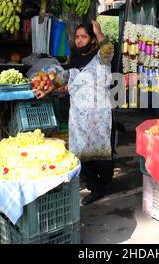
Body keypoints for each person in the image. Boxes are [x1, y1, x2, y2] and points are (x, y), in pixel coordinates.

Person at [34, 20, 115, 206]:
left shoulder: (101, 58)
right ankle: (96, 188)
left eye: (84, 37)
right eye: (77, 37)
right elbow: (62, 78)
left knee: (102, 156)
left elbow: (108, 49)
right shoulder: (74, 61)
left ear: (93, 40)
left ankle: (103, 181)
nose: (79, 41)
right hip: (78, 116)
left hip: (99, 115)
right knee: (79, 152)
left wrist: (99, 31)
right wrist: (45, 90)